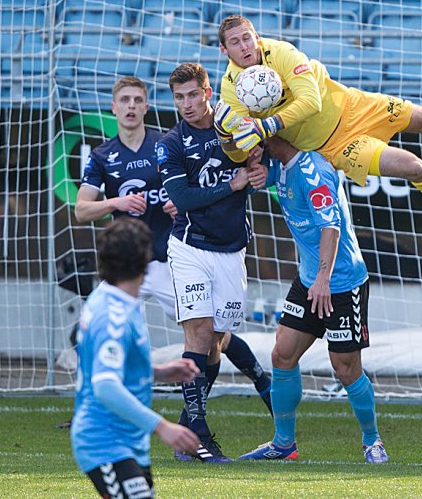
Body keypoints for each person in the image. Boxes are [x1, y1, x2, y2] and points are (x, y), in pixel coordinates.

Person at [212, 14, 422, 240]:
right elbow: (241, 147)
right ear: (224, 50)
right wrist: (232, 141)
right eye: (236, 43)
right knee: (413, 168)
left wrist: (267, 125)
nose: (246, 47)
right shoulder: (231, 91)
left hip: (354, 106)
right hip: (333, 147)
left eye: (248, 38)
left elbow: (311, 101)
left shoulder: (281, 52)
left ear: (257, 36)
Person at [74, 76, 273, 425]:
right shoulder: (103, 155)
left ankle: (259, 380)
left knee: (214, 336)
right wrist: (117, 201)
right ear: (113, 107)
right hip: (128, 266)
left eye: (138, 100)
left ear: (147, 106)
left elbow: (188, 191)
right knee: (94, 324)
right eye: (125, 100)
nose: (131, 106)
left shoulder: (162, 144)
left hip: (167, 257)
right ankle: (92, 405)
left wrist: (176, 203)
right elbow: (81, 210)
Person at [238, 137, 387, 464]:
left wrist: (323, 280)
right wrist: (251, 177)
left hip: (342, 282)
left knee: (344, 368)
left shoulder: (313, 170)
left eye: (261, 137)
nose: (255, 144)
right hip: (309, 280)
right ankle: (284, 443)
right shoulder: (279, 166)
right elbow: (253, 177)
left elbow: (331, 227)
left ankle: (372, 440)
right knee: (282, 353)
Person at [155, 62, 261, 463]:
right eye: (179, 97)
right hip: (189, 248)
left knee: (215, 342)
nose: (186, 104)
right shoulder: (172, 143)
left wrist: (258, 172)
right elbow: (182, 200)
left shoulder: (234, 129)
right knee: (198, 334)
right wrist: (230, 184)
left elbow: (258, 160)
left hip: (232, 249)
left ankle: (187, 428)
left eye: (193, 95)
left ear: (208, 93)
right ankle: (197, 438)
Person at [71, 217, 201, 499]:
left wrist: (159, 372)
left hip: (128, 441)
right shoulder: (112, 315)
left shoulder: (117, 300)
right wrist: (162, 427)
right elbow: (105, 384)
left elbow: (110, 366)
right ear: (145, 256)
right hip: (104, 442)